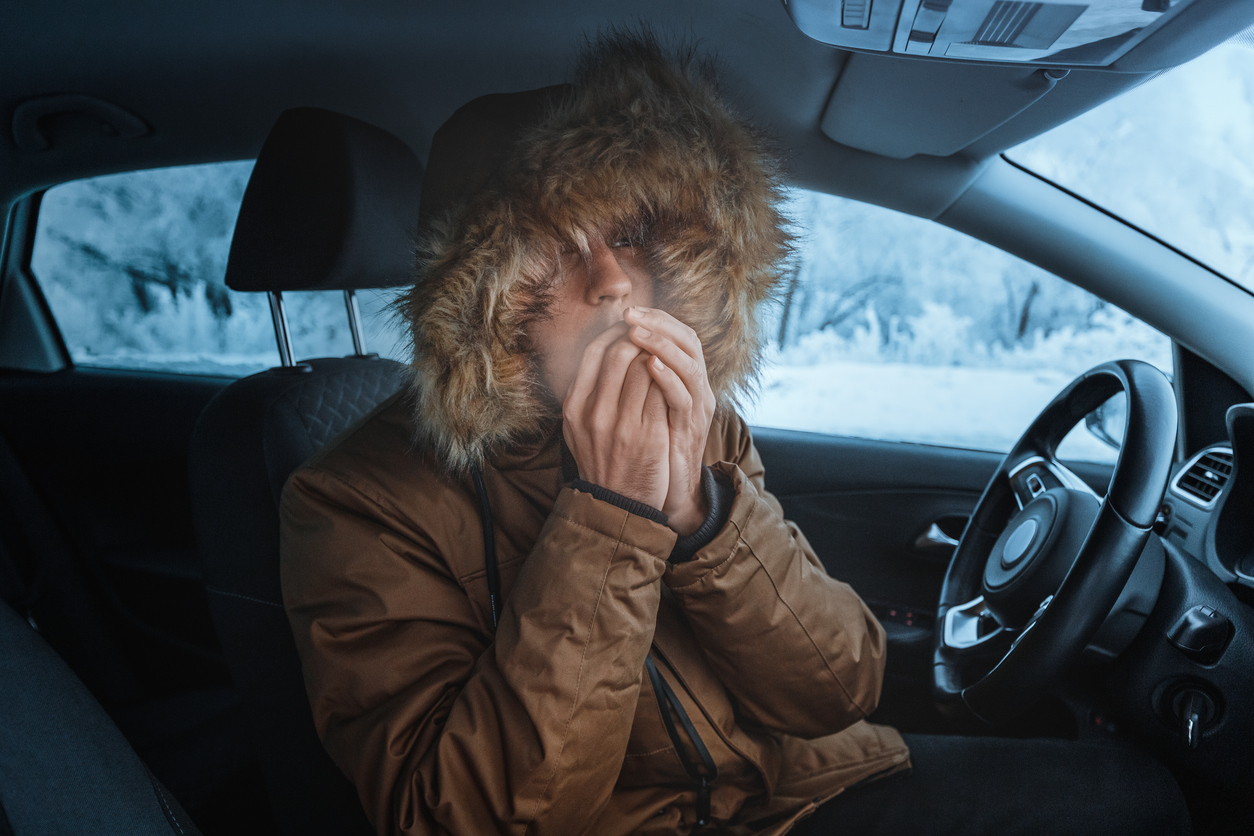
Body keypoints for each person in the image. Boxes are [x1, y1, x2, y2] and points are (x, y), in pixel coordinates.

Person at [279, 31, 1190, 836]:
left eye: (632, 235)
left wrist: (704, 513)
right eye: (552, 249)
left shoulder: (701, 421)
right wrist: (610, 515)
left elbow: (838, 687)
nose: (610, 283)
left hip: (808, 792)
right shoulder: (351, 504)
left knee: (1138, 796)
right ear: (479, 303)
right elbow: (473, 817)